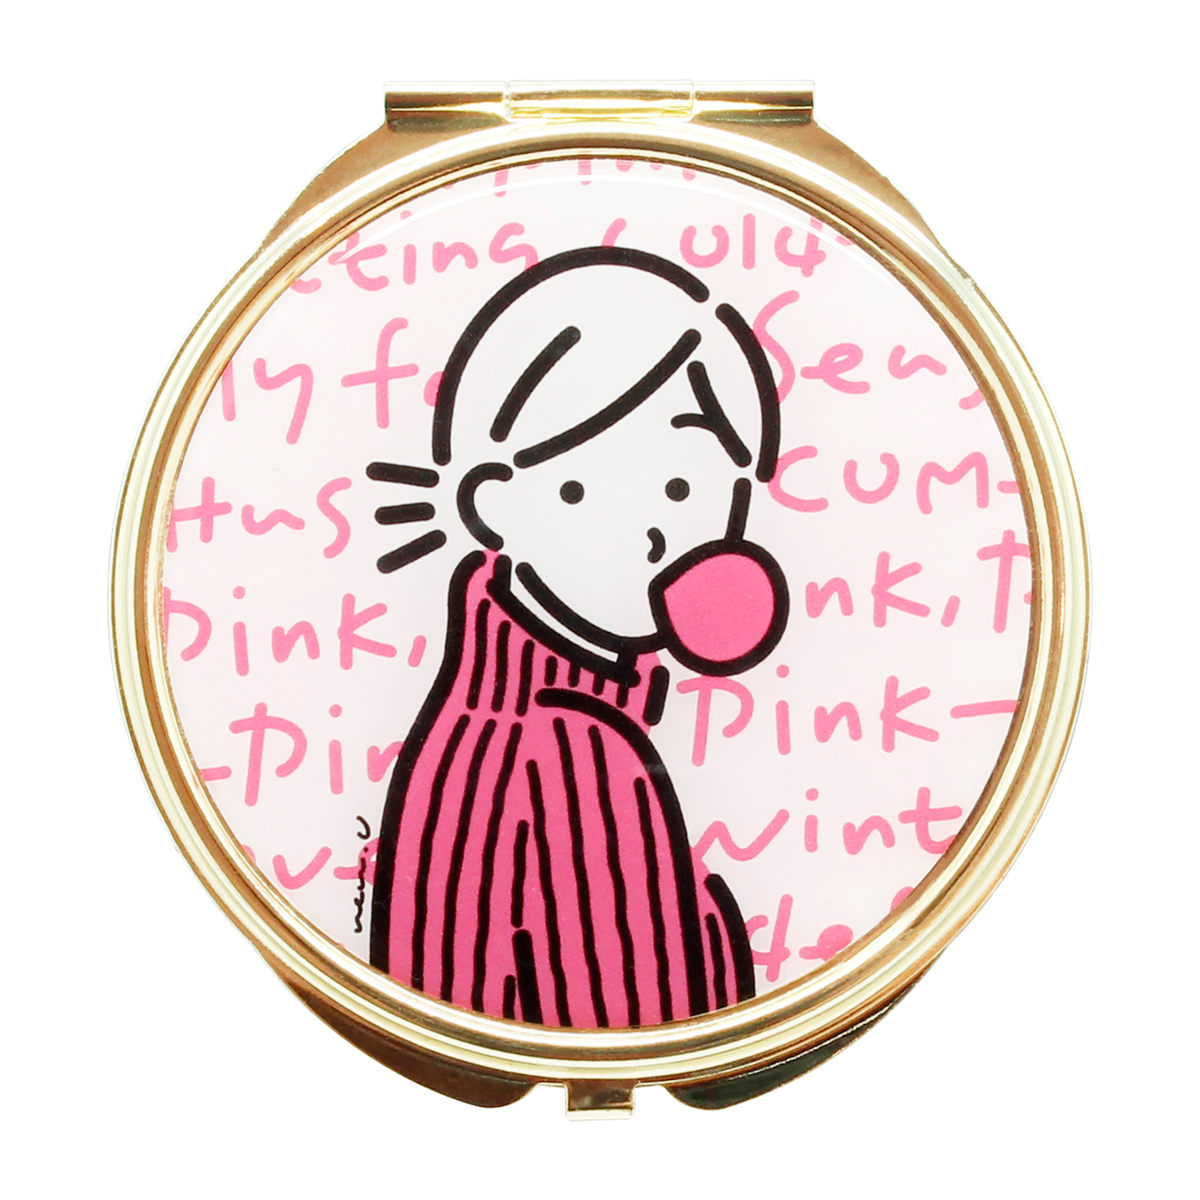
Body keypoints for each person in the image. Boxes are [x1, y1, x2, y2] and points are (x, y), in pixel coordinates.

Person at [368, 246, 788, 1028]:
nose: (655, 530)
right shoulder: (581, 747)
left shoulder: (480, 713)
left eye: (683, 485)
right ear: (493, 505)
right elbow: (635, 1029)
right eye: (579, 488)